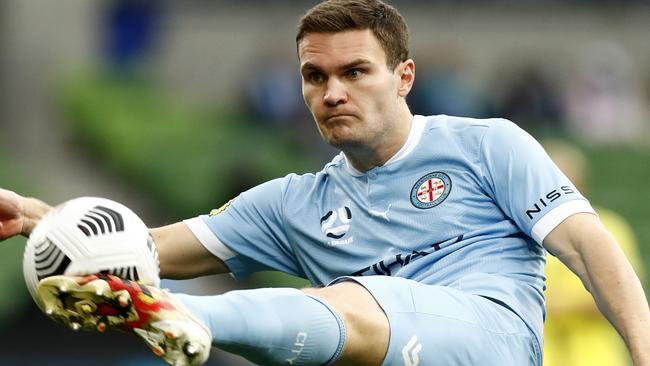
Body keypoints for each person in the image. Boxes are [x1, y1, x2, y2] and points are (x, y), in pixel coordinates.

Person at [1, 1, 649, 365]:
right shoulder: (293, 204)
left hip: (489, 343)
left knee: (355, 301)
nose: (332, 92)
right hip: (374, 352)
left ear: (404, 77)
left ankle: (180, 313)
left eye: (355, 71)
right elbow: (136, 247)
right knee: (353, 307)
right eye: (314, 77)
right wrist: (39, 217)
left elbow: (593, 250)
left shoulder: (487, 145)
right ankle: (175, 313)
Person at [542, 140, 646, 366]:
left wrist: (559, 305)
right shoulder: (523, 233)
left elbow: (624, 296)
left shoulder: (608, 227)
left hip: (596, 359)